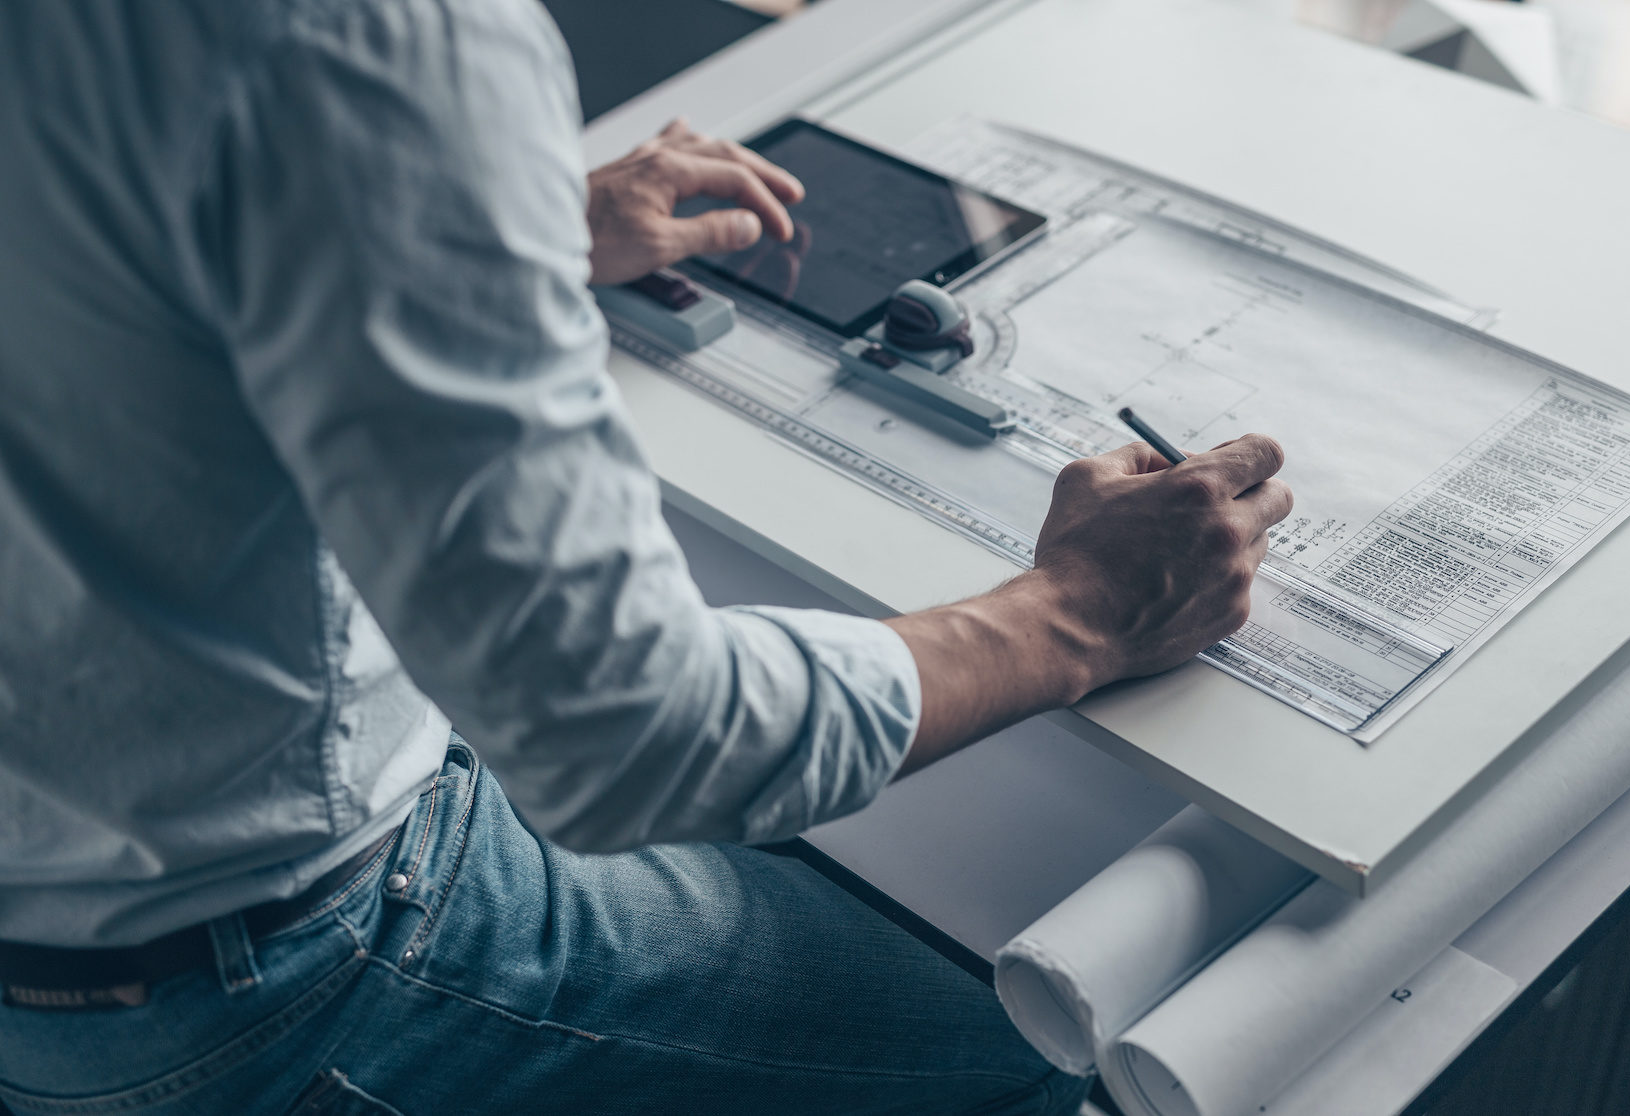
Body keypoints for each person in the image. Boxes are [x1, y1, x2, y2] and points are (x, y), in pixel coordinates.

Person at [0, 1, 1292, 1113]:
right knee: (1027, 1049)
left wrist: (427, 233)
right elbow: (635, 740)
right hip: (271, 977)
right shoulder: (362, 39)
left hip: (69, 889)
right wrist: (1084, 610)